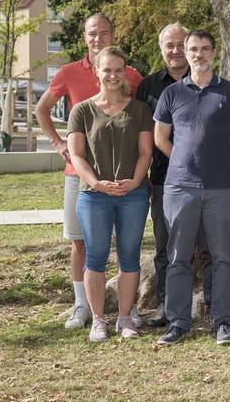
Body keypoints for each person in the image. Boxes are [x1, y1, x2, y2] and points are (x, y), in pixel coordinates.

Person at [36, 13, 143, 330]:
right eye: (92, 34)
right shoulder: (69, 73)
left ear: (113, 35)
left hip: (123, 178)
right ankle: (81, 306)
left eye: (104, 33)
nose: (98, 39)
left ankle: (129, 308)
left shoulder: (131, 75)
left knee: (128, 246)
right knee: (81, 243)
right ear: (85, 37)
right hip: (79, 176)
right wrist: (58, 145)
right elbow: (42, 109)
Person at [153, 30, 230, 345]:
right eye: (193, 49)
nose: (199, 54)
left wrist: (227, 165)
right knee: (178, 256)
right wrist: (183, 162)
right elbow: (160, 138)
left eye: (205, 49)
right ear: (186, 52)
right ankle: (178, 322)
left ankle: (223, 322)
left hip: (220, 188)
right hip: (180, 188)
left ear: (214, 52)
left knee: (223, 256)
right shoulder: (171, 93)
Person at [67, 47, 153, 342]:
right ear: (97, 72)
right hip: (94, 195)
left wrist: (135, 181)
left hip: (133, 194)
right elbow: (76, 156)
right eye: (107, 70)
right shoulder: (81, 110)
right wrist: (97, 183)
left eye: (119, 70)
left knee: (130, 256)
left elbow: (146, 152)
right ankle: (99, 320)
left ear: (125, 71)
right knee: (96, 256)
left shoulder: (140, 109)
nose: (113, 75)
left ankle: (125, 318)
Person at [135, 23, 212, 328]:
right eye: (170, 45)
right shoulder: (149, 87)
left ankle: (209, 303)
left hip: (208, 181)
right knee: (167, 247)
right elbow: (144, 137)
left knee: (208, 246)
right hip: (164, 181)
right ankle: (166, 305)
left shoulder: (209, 84)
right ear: (161, 48)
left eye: (182, 44)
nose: (176, 50)